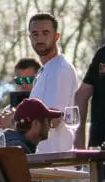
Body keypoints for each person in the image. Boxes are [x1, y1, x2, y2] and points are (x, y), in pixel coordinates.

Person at [22, 13, 80, 154]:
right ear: (30, 38)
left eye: (45, 33)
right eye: (35, 34)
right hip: (45, 157)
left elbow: (54, 119)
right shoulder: (45, 71)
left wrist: (16, 120)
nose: (40, 39)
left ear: (56, 36)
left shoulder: (59, 69)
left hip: (57, 158)